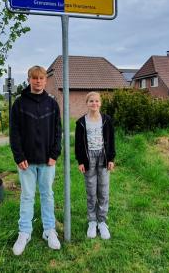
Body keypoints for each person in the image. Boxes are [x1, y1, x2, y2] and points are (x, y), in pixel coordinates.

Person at [10, 65, 62, 256]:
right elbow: (14, 132)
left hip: (48, 161)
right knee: (27, 196)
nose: (38, 81)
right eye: (34, 78)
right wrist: (19, 156)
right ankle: (25, 232)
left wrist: (55, 154)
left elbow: (58, 131)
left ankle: (49, 230)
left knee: (47, 195)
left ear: (45, 80)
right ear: (29, 79)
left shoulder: (52, 103)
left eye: (41, 78)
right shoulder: (19, 103)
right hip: (27, 162)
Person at [75, 92, 116, 240]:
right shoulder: (81, 122)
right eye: (91, 101)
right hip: (89, 159)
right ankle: (92, 221)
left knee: (103, 191)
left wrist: (111, 158)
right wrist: (80, 161)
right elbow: (78, 144)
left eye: (97, 101)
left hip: (103, 158)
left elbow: (111, 140)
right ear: (87, 103)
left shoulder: (107, 120)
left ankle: (102, 222)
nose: (94, 104)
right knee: (91, 191)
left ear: (101, 103)